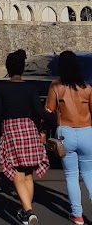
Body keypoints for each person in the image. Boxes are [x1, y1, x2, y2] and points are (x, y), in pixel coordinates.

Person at [0, 49, 51, 225]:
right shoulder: (30, 88)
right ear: (23, 69)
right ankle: (25, 211)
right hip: (29, 129)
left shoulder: (0, 89)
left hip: (11, 129)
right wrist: (55, 119)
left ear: (8, 69)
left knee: (16, 171)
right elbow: (39, 112)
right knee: (27, 174)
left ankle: (29, 211)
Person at [45, 51, 92, 225]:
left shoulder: (56, 87)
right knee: (89, 172)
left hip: (66, 133)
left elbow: (48, 110)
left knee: (72, 175)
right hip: (87, 131)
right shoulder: (87, 88)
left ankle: (77, 214)